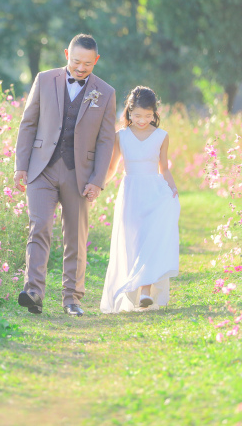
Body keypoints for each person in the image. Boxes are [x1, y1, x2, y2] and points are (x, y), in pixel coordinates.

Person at [13, 34, 116, 316]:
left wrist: (98, 180)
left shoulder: (105, 92)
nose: (80, 68)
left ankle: (72, 298)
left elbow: (107, 140)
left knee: (75, 236)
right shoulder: (44, 80)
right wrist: (21, 165)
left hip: (79, 175)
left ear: (96, 60)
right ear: (66, 55)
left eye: (87, 63)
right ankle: (33, 291)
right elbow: (28, 123)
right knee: (39, 226)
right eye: (75, 62)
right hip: (40, 169)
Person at [100, 86, 180, 313]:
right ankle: (134, 289)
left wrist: (172, 188)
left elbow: (164, 168)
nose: (142, 120)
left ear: (154, 113)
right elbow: (113, 167)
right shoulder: (121, 136)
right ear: (128, 112)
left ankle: (145, 292)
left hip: (155, 191)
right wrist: (99, 185)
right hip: (131, 192)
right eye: (137, 116)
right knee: (133, 241)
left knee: (149, 240)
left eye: (148, 116)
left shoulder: (161, 136)